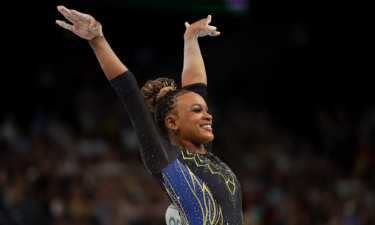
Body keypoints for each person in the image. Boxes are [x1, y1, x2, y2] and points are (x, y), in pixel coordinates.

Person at [56, 6, 243, 224]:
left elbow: (197, 87)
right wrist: (97, 39)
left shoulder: (204, 158)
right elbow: (131, 95)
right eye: (197, 110)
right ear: (172, 122)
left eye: (206, 109)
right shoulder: (167, 160)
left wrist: (191, 38)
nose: (208, 115)